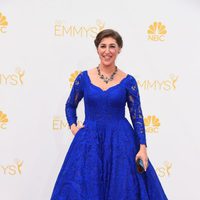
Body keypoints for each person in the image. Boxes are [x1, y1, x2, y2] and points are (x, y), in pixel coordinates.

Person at [50, 29, 168, 199]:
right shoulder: (83, 78)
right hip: (89, 142)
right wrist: (74, 126)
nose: (107, 51)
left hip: (121, 142)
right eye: (103, 46)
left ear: (119, 49)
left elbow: (137, 116)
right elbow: (70, 105)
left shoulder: (129, 81)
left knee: (122, 188)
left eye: (112, 46)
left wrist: (142, 147)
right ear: (97, 49)